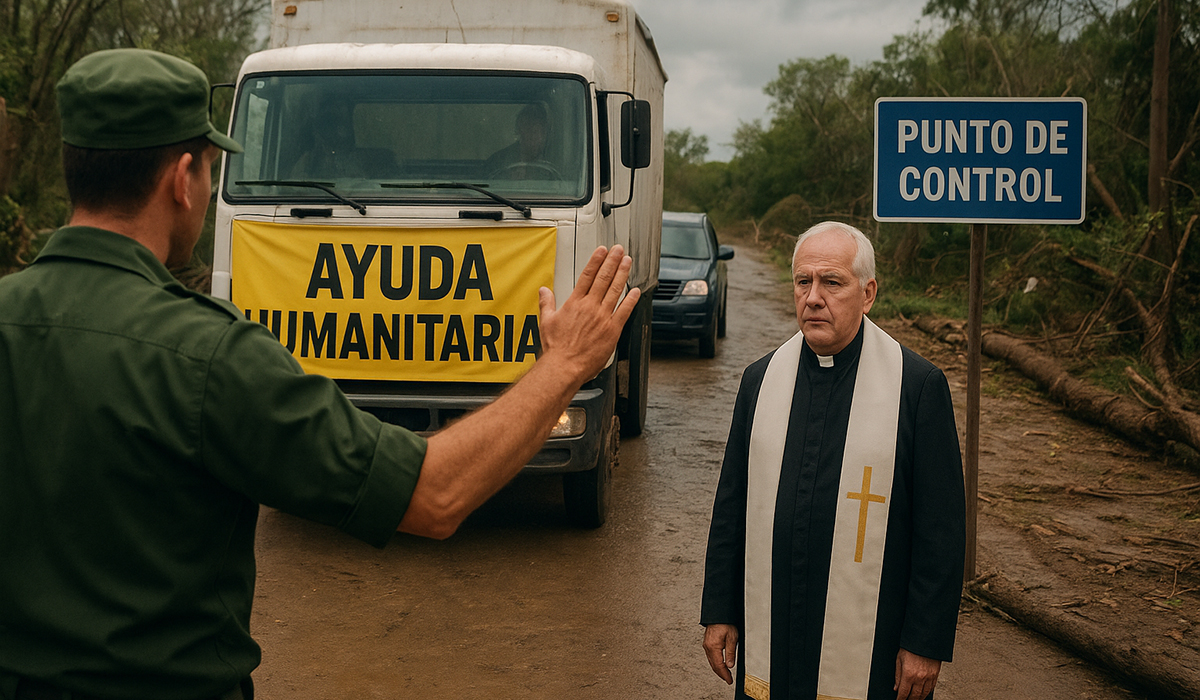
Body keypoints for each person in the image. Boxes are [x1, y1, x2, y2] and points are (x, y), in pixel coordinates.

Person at [0, 49, 638, 700]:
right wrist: (562, 364)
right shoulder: (211, 357)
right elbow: (434, 496)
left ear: (73, 166)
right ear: (184, 179)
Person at [700, 222, 965, 700]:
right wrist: (720, 610)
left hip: (873, 645)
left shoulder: (917, 388)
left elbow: (940, 532)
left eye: (832, 282)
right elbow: (731, 506)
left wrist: (925, 643)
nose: (814, 297)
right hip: (774, 625)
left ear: (868, 294)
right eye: (804, 281)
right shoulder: (760, 381)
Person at [484, 102, 558, 179]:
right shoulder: (497, 161)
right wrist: (509, 180)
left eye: (539, 131)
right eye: (529, 130)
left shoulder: (555, 162)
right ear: (519, 130)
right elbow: (486, 187)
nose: (534, 137)